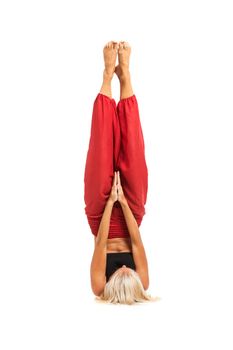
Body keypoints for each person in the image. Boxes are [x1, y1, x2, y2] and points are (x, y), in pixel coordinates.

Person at [84, 41, 157, 305]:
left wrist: (109, 203)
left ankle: (106, 74)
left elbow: (101, 243)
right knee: (133, 143)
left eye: (123, 273)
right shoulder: (144, 281)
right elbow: (136, 244)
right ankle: (125, 73)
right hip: (132, 214)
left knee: (101, 141)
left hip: (99, 215)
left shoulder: (98, 285)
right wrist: (124, 202)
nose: (126, 269)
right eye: (130, 273)